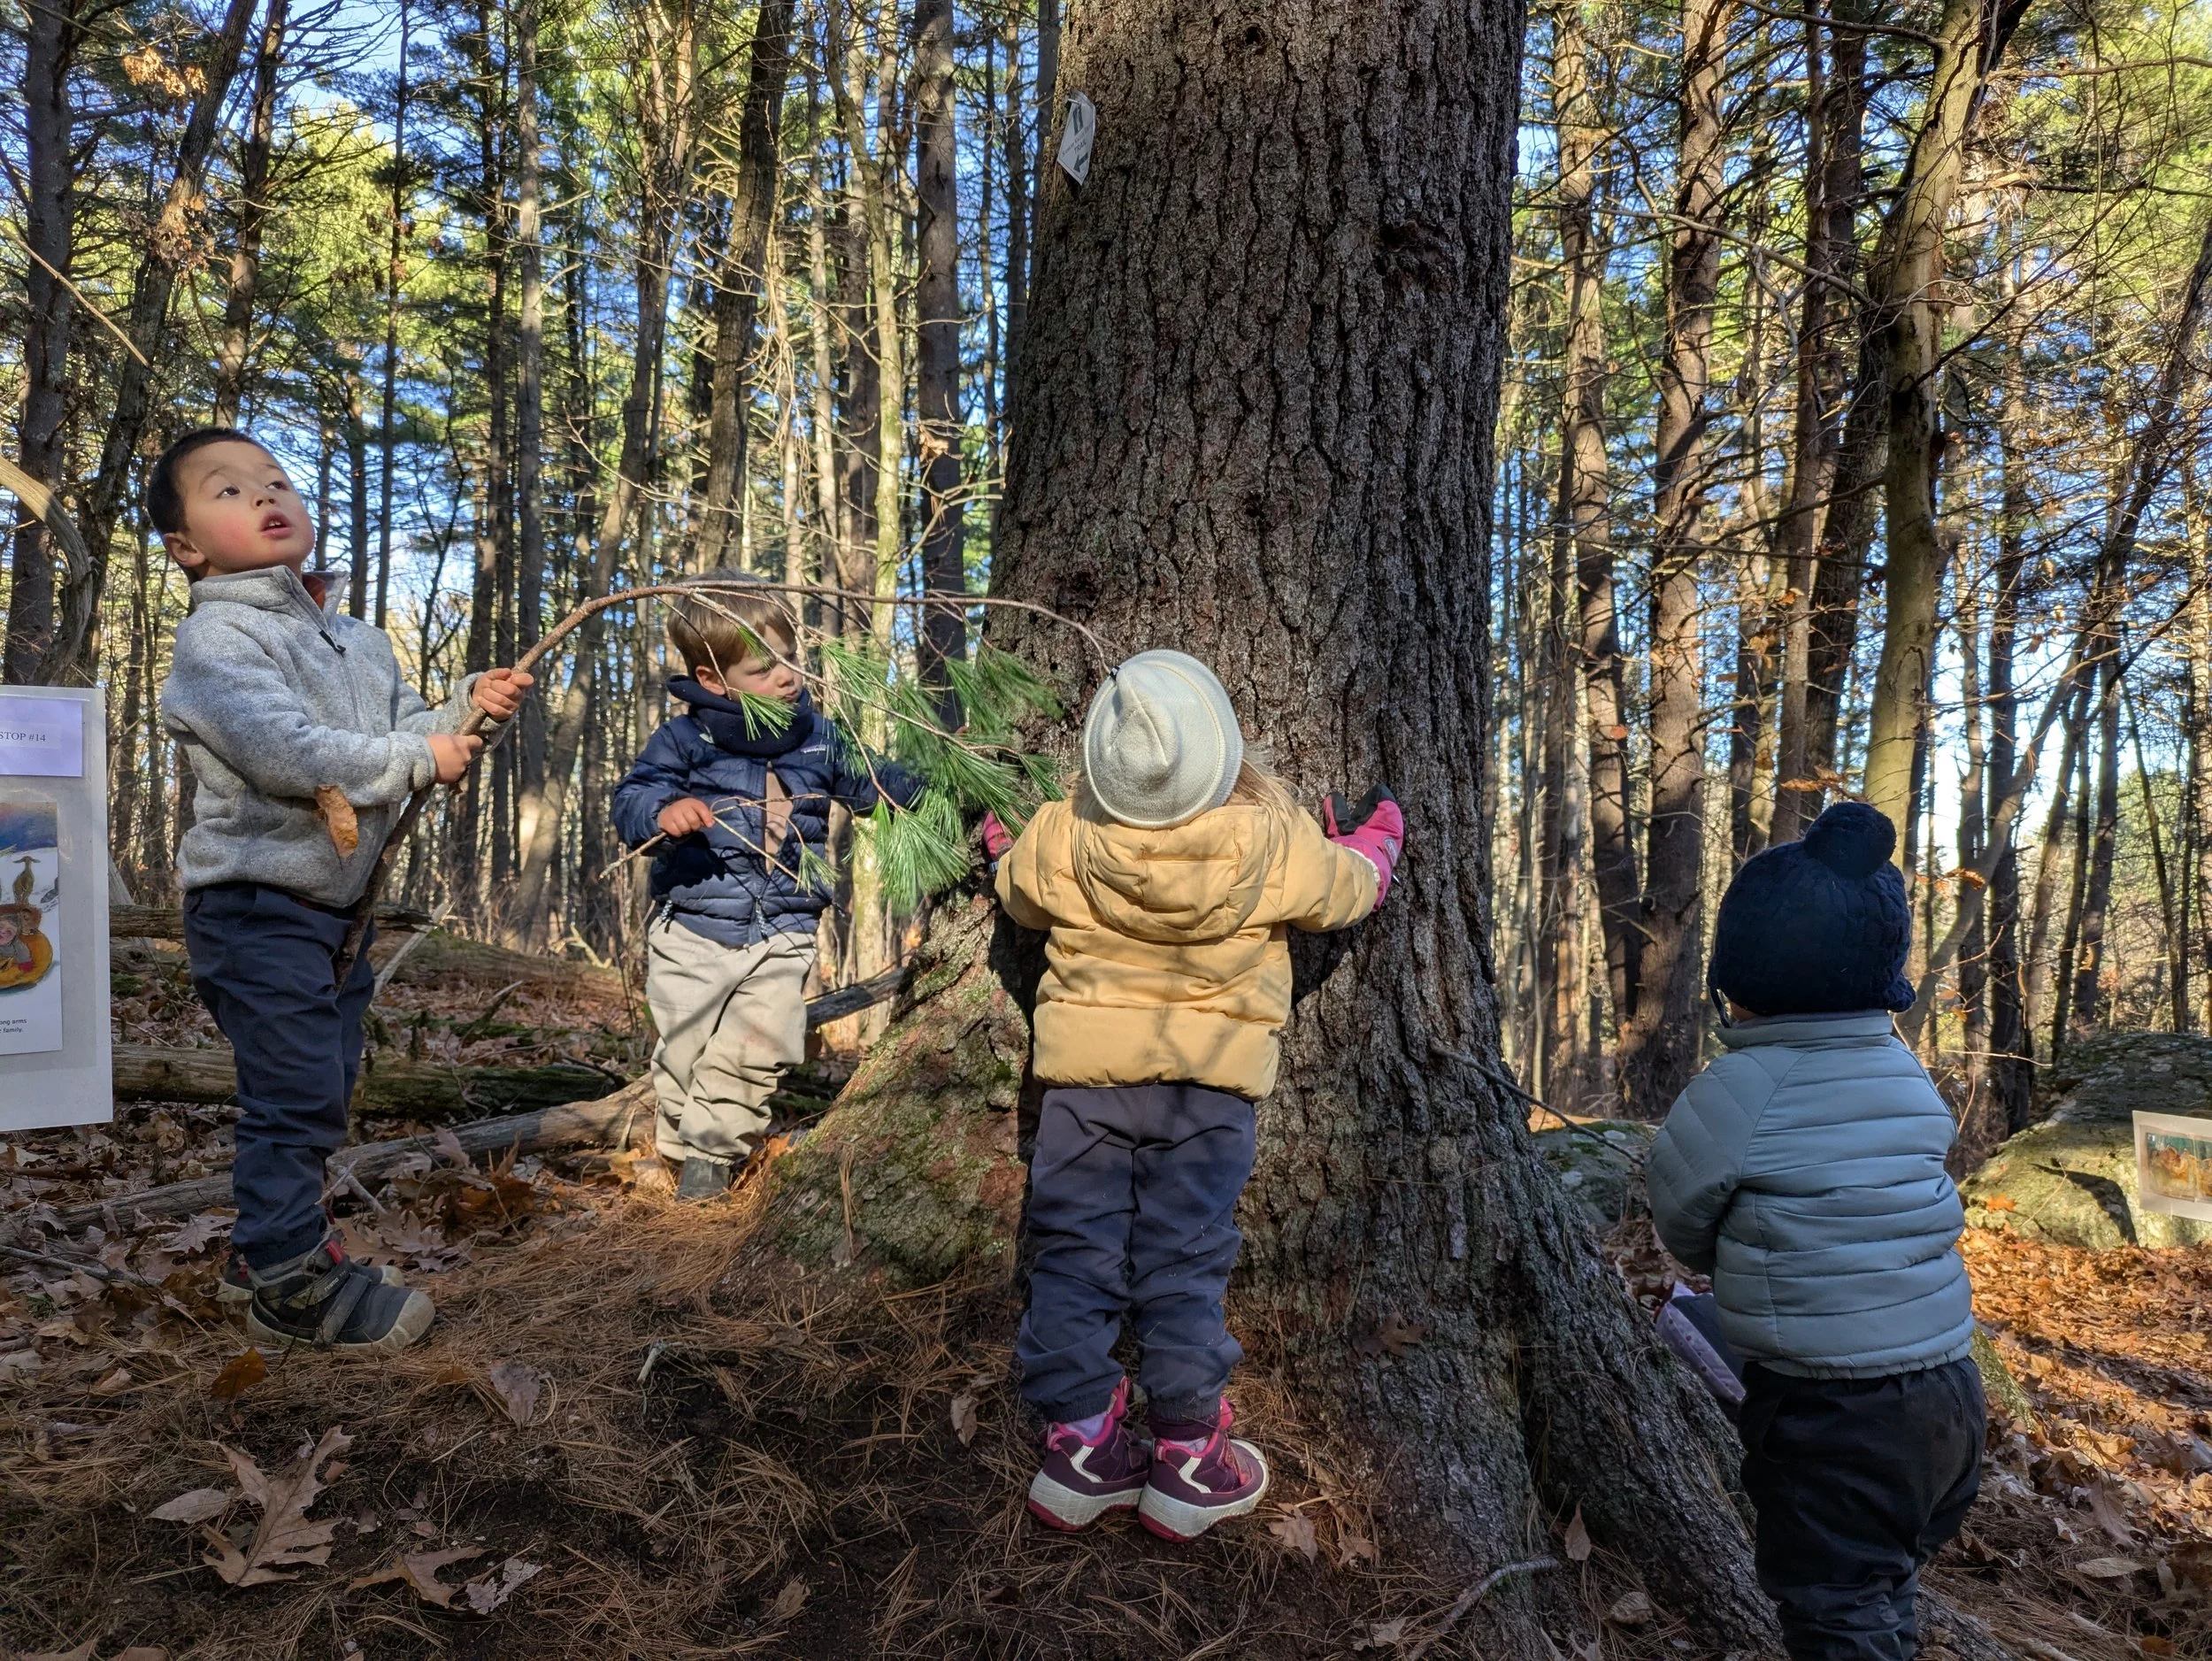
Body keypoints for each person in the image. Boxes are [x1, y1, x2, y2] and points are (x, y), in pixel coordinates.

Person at [986, 650, 1404, 1542]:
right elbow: (1350, 891)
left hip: (1085, 1091)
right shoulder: (1271, 837)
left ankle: (1081, 1448)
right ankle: (1186, 1453)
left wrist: (1000, 843)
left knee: (1072, 1252)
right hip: (1207, 1092)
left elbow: (1016, 887)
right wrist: (1378, 842)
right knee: (1184, 1260)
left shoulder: (1063, 833)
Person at [157, 426, 534, 1355]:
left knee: (325, 1078)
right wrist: (420, 755)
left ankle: (262, 1250)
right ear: (186, 547)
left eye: (274, 480)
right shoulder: (218, 636)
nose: (263, 495)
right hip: (253, 904)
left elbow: (411, 729)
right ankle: (289, 1283)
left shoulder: (356, 639)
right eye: (228, 489)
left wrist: (467, 708)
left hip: (336, 912)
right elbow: (284, 752)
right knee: (293, 1089)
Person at [1646, 801, 1983, 1661]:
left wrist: (1734, 1251)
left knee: (1836, 1605)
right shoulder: (1905, 1073)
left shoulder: (1741, 1088)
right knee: (1880, 1579)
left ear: (1743, 981)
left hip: (1833, 1412)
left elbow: (1680, 1216)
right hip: (1949, 1395)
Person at [611, 573, 920, 1202]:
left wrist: (943, 785)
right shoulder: (684, 740)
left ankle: (708, 1163)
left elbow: (878, 784)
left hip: (784, 928)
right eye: (763, 668)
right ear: (712, 680)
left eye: (790, 657)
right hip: (693, 927)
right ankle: (676, 1149)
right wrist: (662, 814)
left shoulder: (820, 737)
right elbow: (634, 797)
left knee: (759, 1043)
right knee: (684, 1052)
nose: (787, 677)